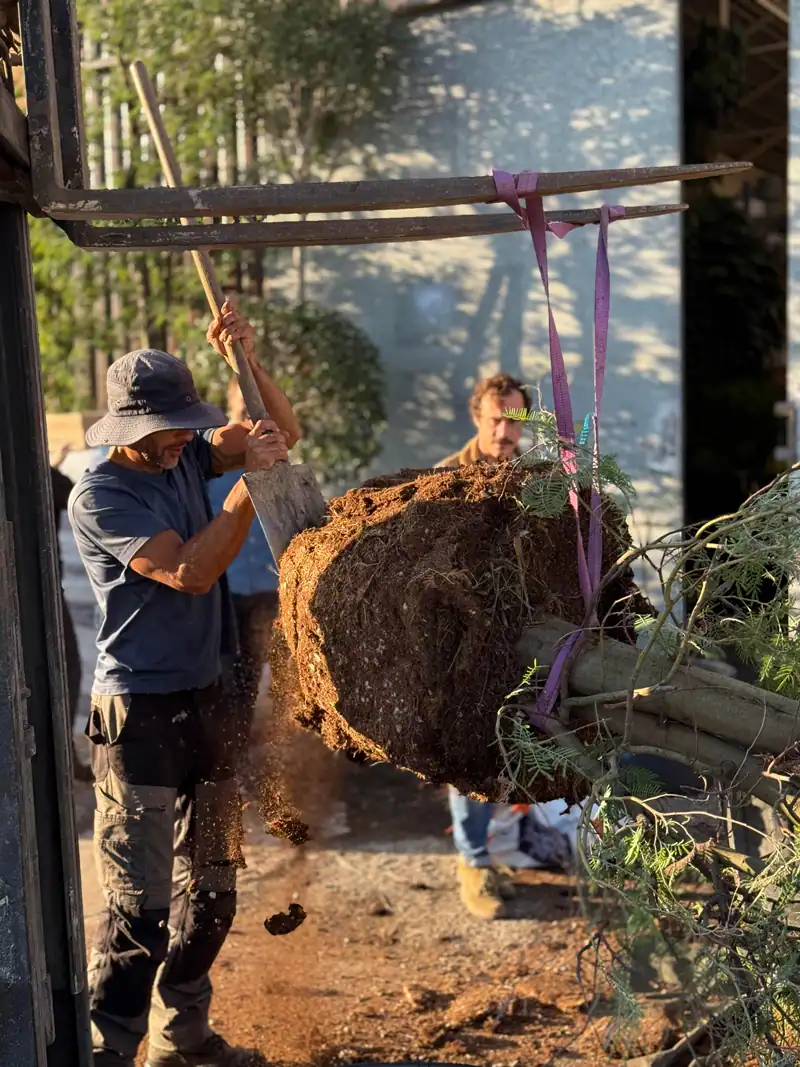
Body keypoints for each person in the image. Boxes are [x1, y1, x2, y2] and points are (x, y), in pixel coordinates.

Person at [69, 302, 300, 1067]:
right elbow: (191, 571)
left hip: (209, 705)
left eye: (187, 424)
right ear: (128, 430)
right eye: (168, 429)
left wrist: (247, 356)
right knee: (141, 905)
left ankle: (184, 1035)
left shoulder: (187, 455)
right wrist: (245, 490)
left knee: (213, 888)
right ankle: (112, 1051)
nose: (183, 439)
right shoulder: (101, 494)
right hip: (137, 715)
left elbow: (280, 435)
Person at [438, 373, 570, 919]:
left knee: (521, 740)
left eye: (514, 419)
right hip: (461, 644)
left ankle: (520, 838)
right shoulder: (444, 480)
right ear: (478, 417)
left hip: (524, 637)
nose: (503, 430)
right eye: (495, 418)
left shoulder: (538, 480)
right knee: (468, 744)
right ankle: (474, 862)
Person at [207, 378, 280, 792]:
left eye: (260, 416)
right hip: (227, 594)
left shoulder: (280, 466)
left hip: (270, 592)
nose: (253, 425)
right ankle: (226, 770)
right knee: (232, 682)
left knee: (269, 682)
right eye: (243, 415)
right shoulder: (212, 474)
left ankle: (261, 769)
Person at [50, 454, 92, 781]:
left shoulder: (36, 473)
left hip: (47, 590)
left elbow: (71, 494)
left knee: (66, 669)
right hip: (39, 593)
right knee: (65, 667)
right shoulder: (27, 469)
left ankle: (63, 754)